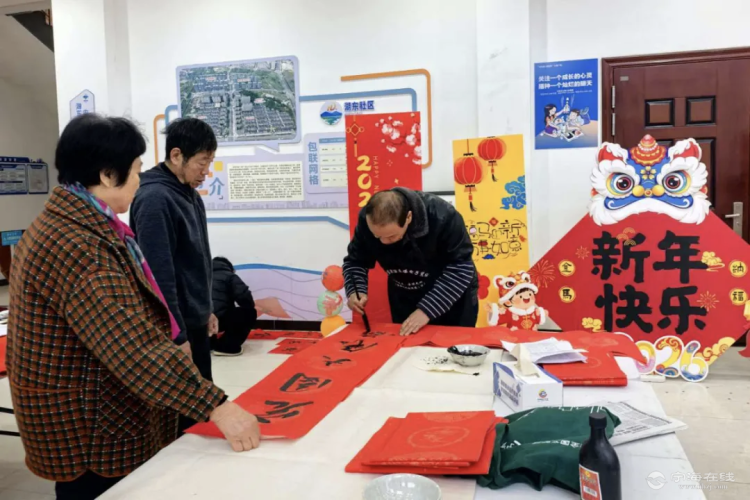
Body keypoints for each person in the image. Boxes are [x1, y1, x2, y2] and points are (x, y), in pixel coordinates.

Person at [6, 114, 260, 500]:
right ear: (108, 174)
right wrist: (217, 406)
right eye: (137, 170)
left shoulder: (84, 225)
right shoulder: (78, 246)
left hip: (100, 404)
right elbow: (132, 345)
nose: (140, 180)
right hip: (89, 426)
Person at [130, 118, 218, 385]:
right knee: (187, 402)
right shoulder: (155, 199)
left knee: (203, 392)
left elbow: (199, 260)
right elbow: (158, 275)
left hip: (194, 319)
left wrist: (207, 309)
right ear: (177, 155)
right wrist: (176, 335)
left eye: (210, 162)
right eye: (202, 162)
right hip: (175, 327)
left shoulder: (190, 194)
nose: (206, 171)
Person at [343, 188, 478, 336]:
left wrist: (426, 310)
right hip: (404, 292)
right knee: (407, 343)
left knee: (452, 343)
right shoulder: (367, 220)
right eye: (377, 236)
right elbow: (355, 261)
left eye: (391, 236)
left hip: (450, 293)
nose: (383, 242)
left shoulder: (443, 216)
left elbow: (461, 267)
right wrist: (356, 290)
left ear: (408, 217)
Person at [211, 256, 257, 356]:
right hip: (218, 320)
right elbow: (245, 299)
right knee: (248, 312)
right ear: (230, 268)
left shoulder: (199, 277)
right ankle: (227, 347)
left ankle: (208, 343)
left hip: (198, 321)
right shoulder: (230, 276)